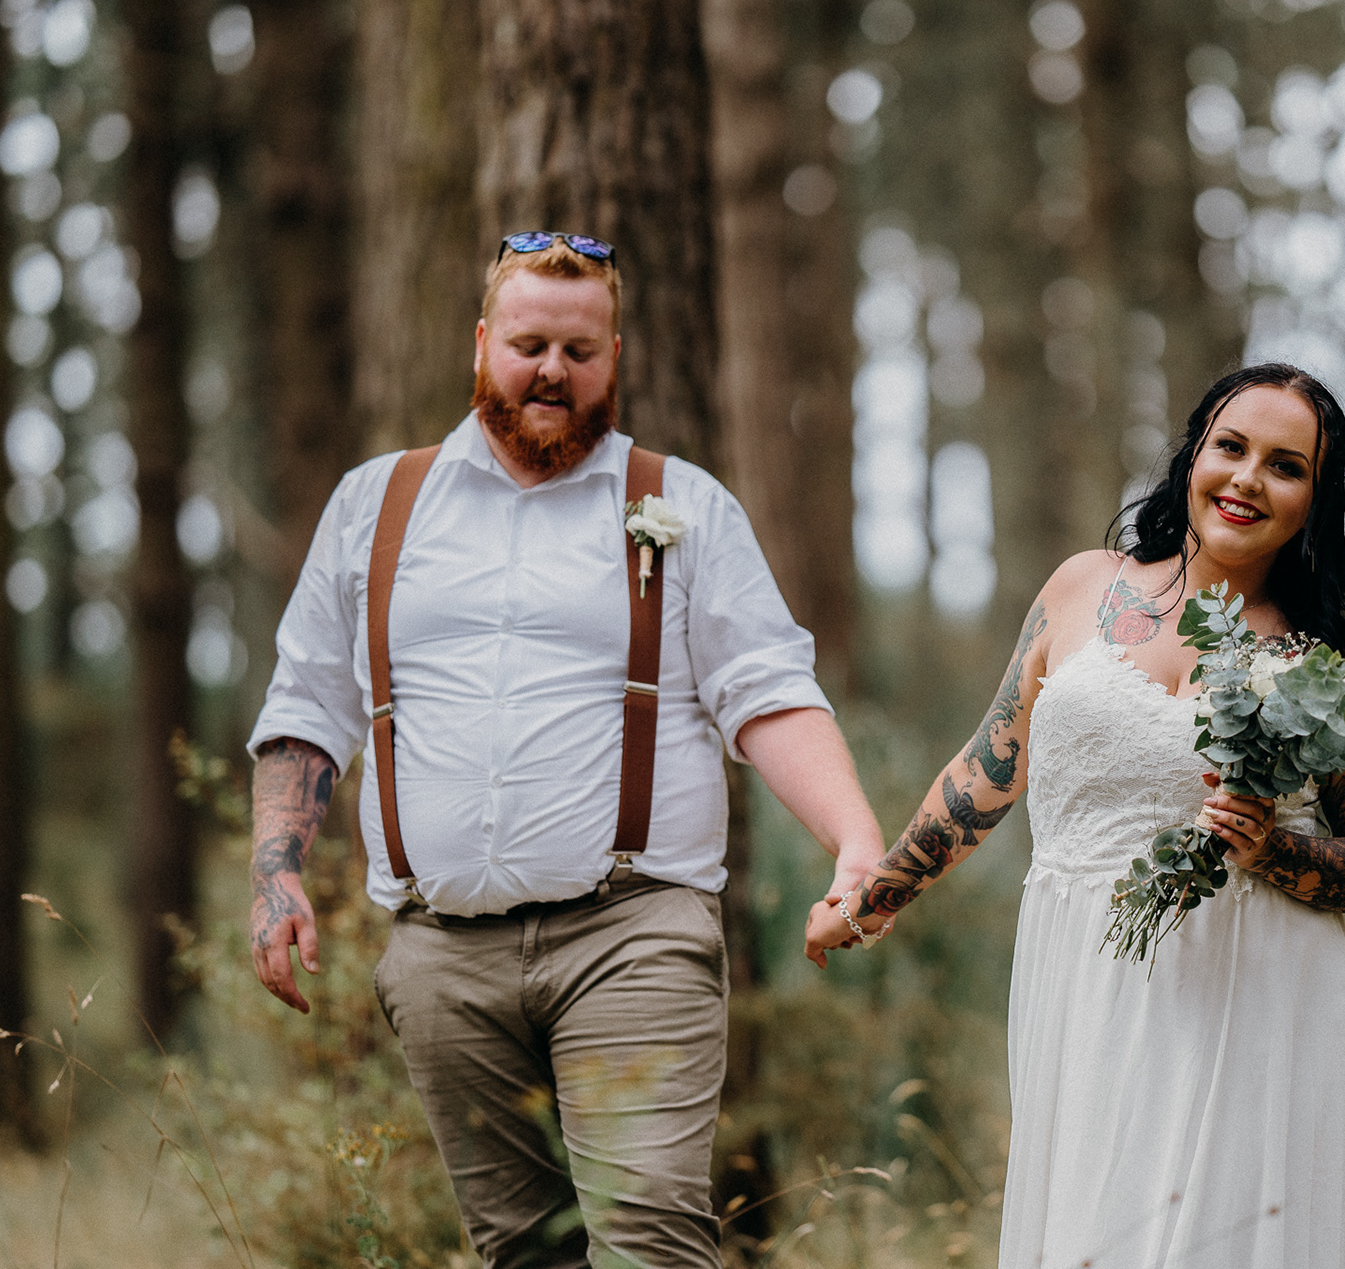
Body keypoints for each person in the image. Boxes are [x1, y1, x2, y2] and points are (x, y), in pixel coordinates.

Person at [247, 231, 885, 1269]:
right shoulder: (374, 505)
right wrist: (276, 873)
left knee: (648, 1241)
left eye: (579, 351)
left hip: (633, 931)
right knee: (523, 1252)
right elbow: (307, 706)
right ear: (481, 344)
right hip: (440, 951)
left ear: (614, 358)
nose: (553, 370)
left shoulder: (683, 506)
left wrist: (853, 838)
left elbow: (768, 692)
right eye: (529, 345)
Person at [806, 362, 1345, 1268]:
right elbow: (987, 770)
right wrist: (871, 899)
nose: (1248, 479)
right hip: (1085, 983)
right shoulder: (1081, 588)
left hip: (1257, 1001)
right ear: (1193, 455)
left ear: (1315, 502)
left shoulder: (1330, 657)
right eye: (1231, 447)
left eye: (1286, 467)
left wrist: (1274, 852)